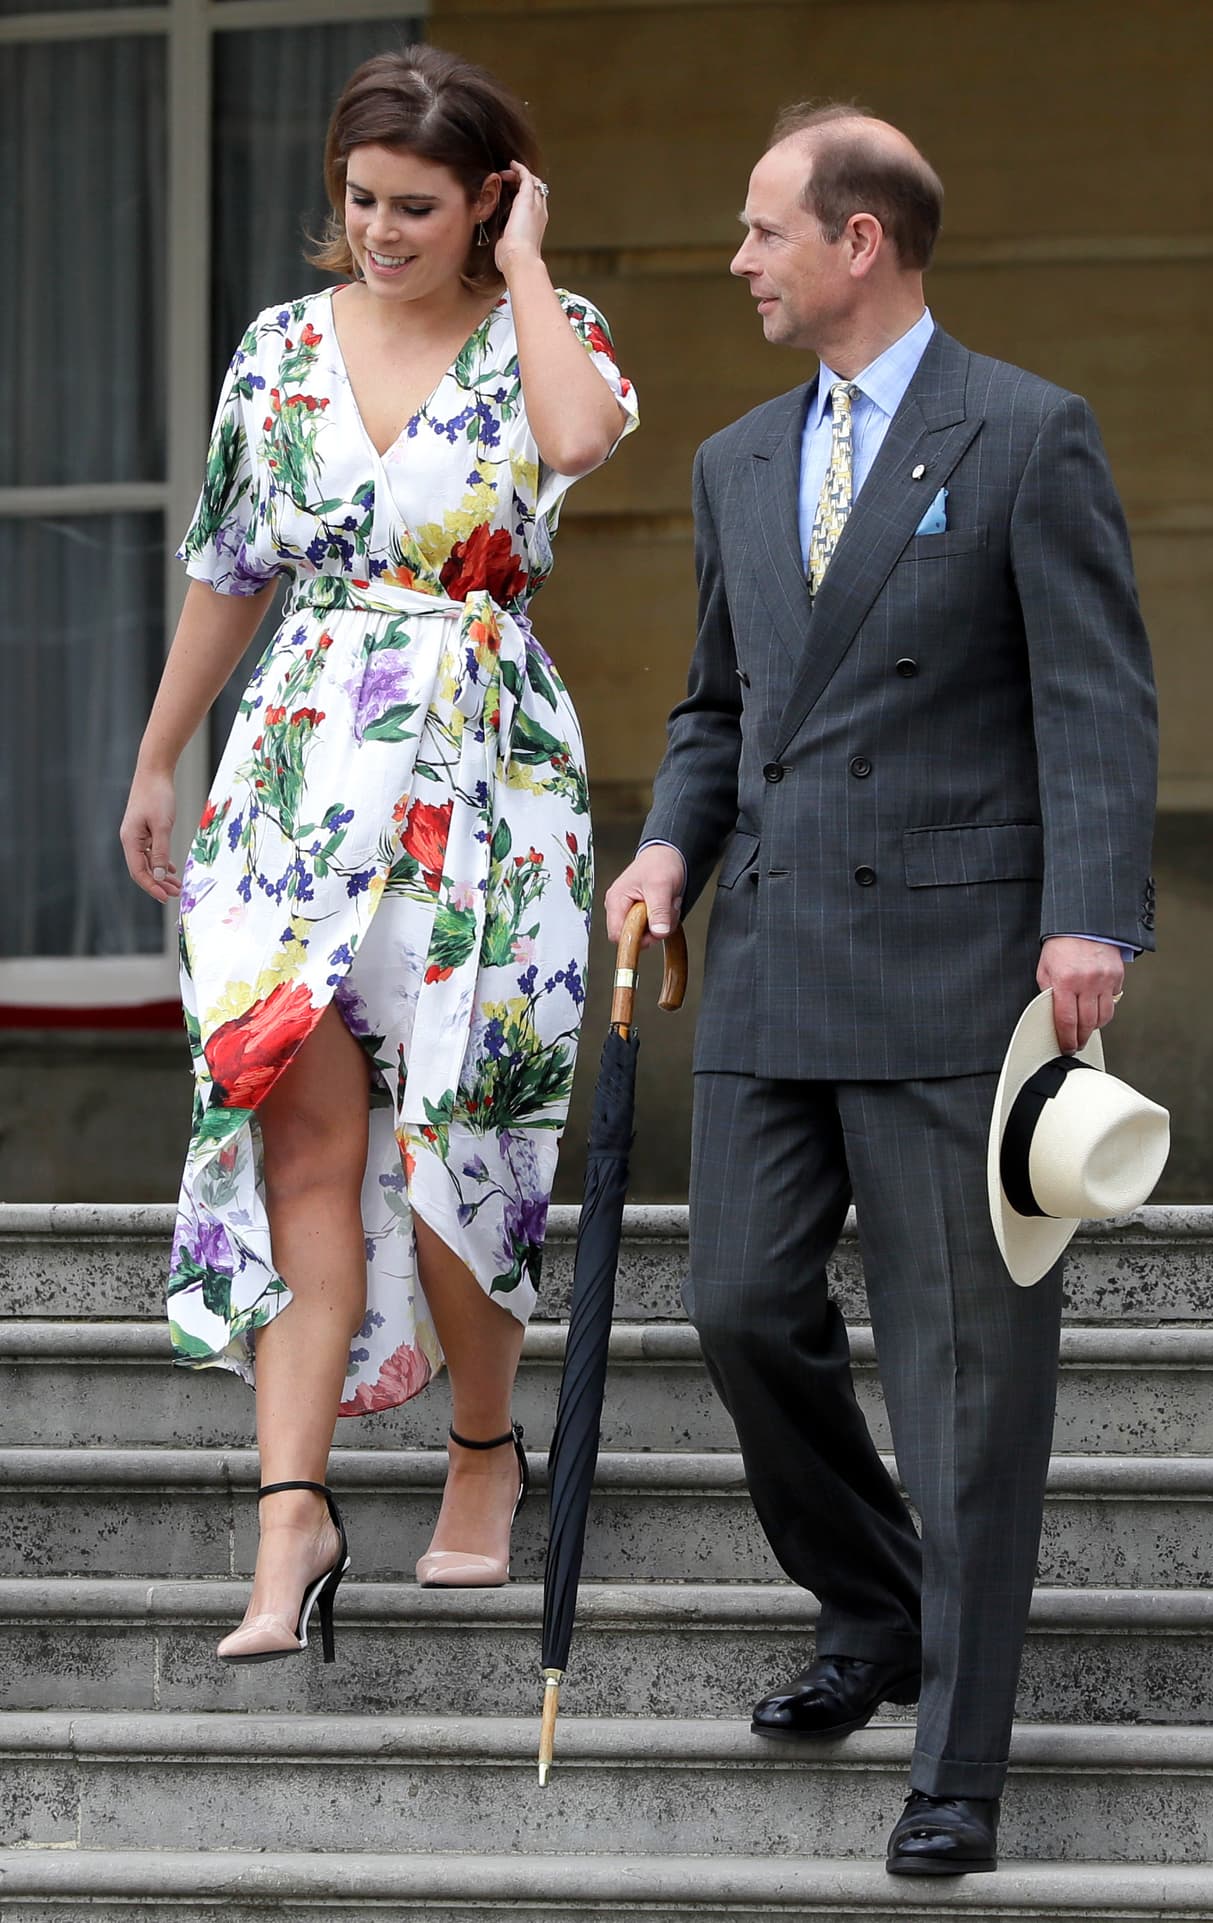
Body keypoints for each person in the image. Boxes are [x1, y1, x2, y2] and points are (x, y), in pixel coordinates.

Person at [606, 100, 1156, 1875]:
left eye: (766, 228)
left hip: (956, 967)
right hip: (772, 956)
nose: (740, 259)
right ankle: (875, 1600)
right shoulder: (736, 461)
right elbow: (715, 708)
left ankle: (959, 1764)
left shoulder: (1026, 434)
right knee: (744, 1309)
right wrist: (669, 848)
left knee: (965, 1381)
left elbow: (1095, 696)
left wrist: (1094, 918)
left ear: (861, 243)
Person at [121, 44, 636, 1663]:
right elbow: (230, 562)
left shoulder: (553, 331)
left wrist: (534, 264)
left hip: (485, 766)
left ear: (489, 197)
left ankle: (485, 1454)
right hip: (294, 768)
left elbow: (574, 440)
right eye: (360, 202)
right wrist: (158, 754)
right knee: (300, 1134)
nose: (381, 233)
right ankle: (294, 1516)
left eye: (419, 207)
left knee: (460, 1130)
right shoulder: (278, 348)